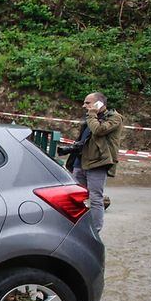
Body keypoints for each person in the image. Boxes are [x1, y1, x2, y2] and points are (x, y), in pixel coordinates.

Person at [60, 91, 123, 233]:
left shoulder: (115, 118)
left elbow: (99, 130)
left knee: (95, 198)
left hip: (98, 163)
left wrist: (92, 114)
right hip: (80, 161)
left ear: (99, 103)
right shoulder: (90, 117)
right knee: (75, 197)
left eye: (87, 103)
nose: (84, 106)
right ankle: (74, 227)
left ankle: (95, 230)